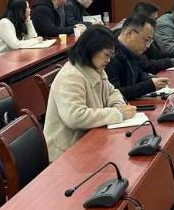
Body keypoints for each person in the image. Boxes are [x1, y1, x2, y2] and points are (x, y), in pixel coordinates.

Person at [43, 25, 136, 161]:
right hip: (66, 153)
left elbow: (111, 92)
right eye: (106, 55)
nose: (109, 60)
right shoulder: (71, 76)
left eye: (111, 55)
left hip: (90, 138)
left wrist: (118, 105)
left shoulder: (95, 67)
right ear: (91, 49)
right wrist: (117, 114)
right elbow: (75, 117)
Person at [105, 14, 171, 100]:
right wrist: (150, 85)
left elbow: (138, 75)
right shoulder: (110, 55)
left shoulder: (131, 52)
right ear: (130, 33)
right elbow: (115, 94)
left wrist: (154, 80)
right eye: (146, 40)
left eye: (150, 41)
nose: (148, 46)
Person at [129, 1, 174, 72]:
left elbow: (161, 55)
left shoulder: (149, 34)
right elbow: (146, 65)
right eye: (154, 20)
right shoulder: (134, 36)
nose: (156, 23)